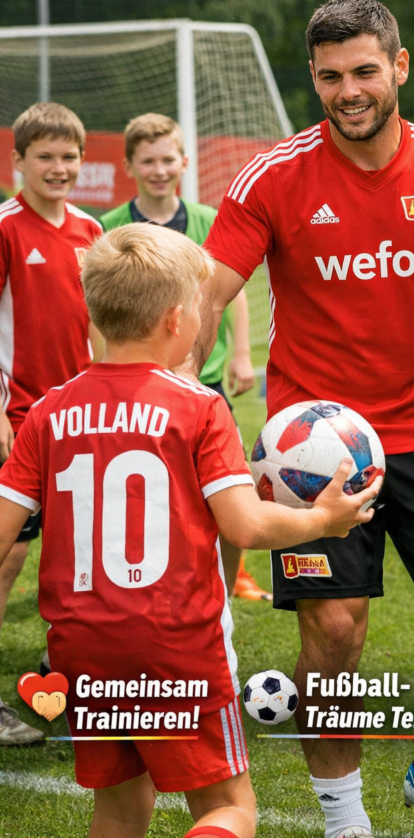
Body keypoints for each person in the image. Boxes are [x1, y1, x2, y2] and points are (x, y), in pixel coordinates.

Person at [196, 0, 414, 838]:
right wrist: (178, 394)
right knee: (336, 634)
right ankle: (344, 821)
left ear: (399, 67)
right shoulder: (273, 176)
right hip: (315, 454)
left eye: (364, 72)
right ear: (312, 78)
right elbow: (205, 294)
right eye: (329, 76)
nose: (347, 91)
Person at [0, 224, 378, 838]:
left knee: (120, 809)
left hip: (82, 647)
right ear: (177, 320)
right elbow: (245, 525)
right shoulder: (199, 406)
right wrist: (322, 521)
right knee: (229, 809)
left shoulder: (48, 411)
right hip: (177, 645)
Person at [101, 113, 269, 602]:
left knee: (231, 480)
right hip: (133, 383)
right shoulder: (109, 227)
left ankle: (229, 583)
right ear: (129, 166)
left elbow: (230, 291)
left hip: (202, 381)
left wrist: (241, 353)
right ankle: (136, 576)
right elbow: (97, 311)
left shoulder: (207, 220)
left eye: (167, 159)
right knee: (143, 485)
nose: (159, 170)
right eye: (148, 161)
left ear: (185, 162)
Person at [0, 102, 102, 745]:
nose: (58, 168)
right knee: (8, 556)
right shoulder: (6, 228)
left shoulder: (91, 229)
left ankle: (61, 669)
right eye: (45, 157)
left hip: (79, 425)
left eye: (69, 157)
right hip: (16, 423)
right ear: (18, 161)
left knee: (81, 558)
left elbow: (98, 327)